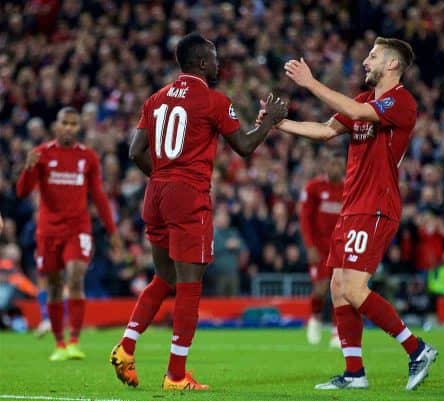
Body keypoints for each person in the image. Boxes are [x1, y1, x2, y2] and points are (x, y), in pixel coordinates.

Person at [109, 32, 287, 391]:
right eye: (216, 58)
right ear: (203, 62)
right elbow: (245, 146)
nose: (219, 64)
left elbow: (134, 151)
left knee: (165, 278)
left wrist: (163, 177)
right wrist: (270, 120)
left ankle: (126, 348)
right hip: (188, 196)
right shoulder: (214, 100)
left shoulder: (156, 98)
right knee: (189, 284)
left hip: (156, 193)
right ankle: (176, 375)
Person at [266, 36, 438, 391]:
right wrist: (279, 125)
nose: (365, 61)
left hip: (376, 206)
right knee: (338, 288)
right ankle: (354, 373)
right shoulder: (362, 100)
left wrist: (311, 82)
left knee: (355, 288)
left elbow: (361, 115)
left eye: (373, 56)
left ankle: (417, 349)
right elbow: (327, 130)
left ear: (392, 64)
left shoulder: (401, 101)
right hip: (353, 207)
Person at [16, 107, 121, 361]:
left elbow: (98, 196)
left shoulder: (88, 158)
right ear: (57, 125)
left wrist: (112, 231)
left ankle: (74, 340)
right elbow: (22, 192)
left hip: (78, 228)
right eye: (65, 123)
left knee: (75, 276)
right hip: (49, 230)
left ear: (78, 128)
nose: (69, 128)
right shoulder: (41, 154)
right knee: (53, 286)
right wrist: (28, 169)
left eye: (74, 124)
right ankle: (59, 344)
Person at [300, 149, 344, 347]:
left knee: (340, 288)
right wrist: (309, 246)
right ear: (327, 165)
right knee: (320, 288)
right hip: (319, 247)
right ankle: (315, 318)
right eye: (332, 163)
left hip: (340, 247)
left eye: (338, 164)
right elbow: (305, 219)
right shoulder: (314, 187)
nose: (335, 167)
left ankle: (337, 331)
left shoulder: (349, 188)